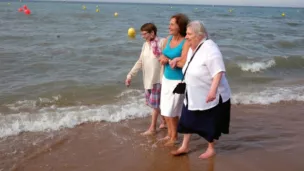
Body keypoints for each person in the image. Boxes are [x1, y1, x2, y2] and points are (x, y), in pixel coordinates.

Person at [171, 21, 231, 159]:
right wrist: (178, 59)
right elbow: (190, 60)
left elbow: (218, 72)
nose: (186, 37)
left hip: (209, 95)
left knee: (209, 124)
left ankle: (211, 148)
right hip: (192, 93)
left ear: (200, 35)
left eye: (189, 34)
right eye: (186, 33)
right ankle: (184, 146)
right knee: (186, 121)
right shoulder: (194, 46)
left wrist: (212, 91)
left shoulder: (211, 49)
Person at [125, 23, 166, 135]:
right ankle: (165, 121)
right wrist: (130, 75)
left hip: (158, 80)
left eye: (144, 34)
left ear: (152, 33)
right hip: (147, 80)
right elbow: (140, 61)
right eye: (142, 34)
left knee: (155, 105)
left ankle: (152, 128)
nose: (142, 36)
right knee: (155, 103)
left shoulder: (162, 42)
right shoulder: (145, 45)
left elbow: (168, 57)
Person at [158, 13, 190, 146]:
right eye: (169, 23)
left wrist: (170, 61)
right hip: (166, 78)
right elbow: (161, 55)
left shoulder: (186, 42)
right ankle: (170, 134)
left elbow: (184, 62)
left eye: (172, 24)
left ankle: (174, 137)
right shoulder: (168, 39)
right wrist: (163, 59)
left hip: (178, 81)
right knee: (164, 109)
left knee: (172, 110)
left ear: (180, 26)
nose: (169, 26)